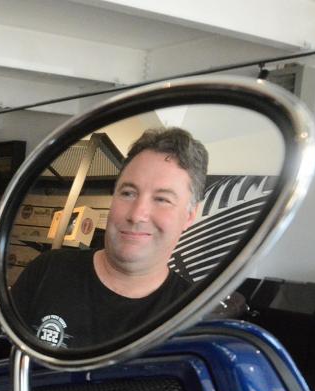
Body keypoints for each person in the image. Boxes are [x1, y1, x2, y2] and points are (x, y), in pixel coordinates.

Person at [12, 127, 208, 349]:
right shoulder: (47, 271)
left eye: (162, 199)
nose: (136, 215)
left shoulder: (195, 316)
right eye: (128, 193)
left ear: (190, 215)